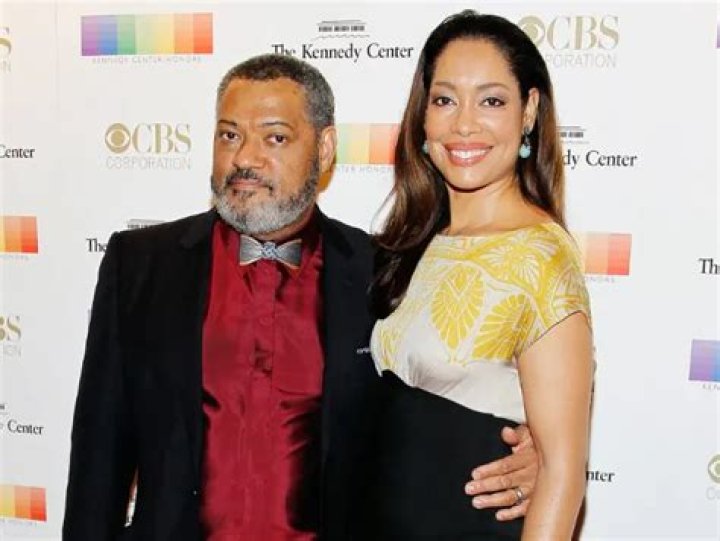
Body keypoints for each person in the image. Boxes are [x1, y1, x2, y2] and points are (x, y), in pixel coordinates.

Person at [63, 53, 539, 541]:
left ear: (325, 148)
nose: (244, 159)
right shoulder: (141, 265)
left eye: (275, 138)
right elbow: (98, 456)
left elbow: (445, 399)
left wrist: (531, 450)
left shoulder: (384, 272)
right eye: (229, 135)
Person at [369, 10, 594, 541]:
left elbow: (561, 472)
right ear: (423, 117)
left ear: (529, 111)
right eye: (445, 100)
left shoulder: (540, 257)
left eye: (491, 101)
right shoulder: (409, 245)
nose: (464, 124)